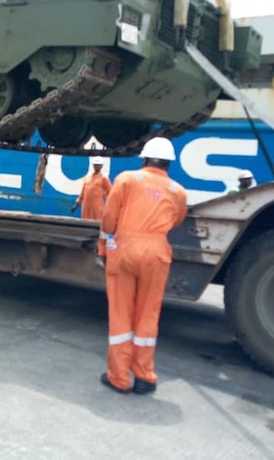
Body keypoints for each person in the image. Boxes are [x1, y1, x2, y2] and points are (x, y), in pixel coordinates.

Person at [99, 136, 188, 395]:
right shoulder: (178, 192)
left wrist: (105, 245)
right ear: (169, 163)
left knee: (120, 314)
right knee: (148, 315)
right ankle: (144, 376)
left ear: (145, 158)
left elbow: (109, 217)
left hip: (125, 248)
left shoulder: (127, 179)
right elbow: (177, 220)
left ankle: (119, 377)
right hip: (157, 251)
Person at [70, 156, 111, 258]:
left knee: (97, 228)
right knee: (85, 227)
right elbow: (83, 193)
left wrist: (109, 204)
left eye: (99, 164)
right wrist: (77, 204)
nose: (97, 166)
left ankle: (99, 251)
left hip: (98, 208)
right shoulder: (87, 178)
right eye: (95, 164)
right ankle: (85, 250)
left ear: (101, 166)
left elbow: (111, 192)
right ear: (93, 165)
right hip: (86, 207)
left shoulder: (104, 178)